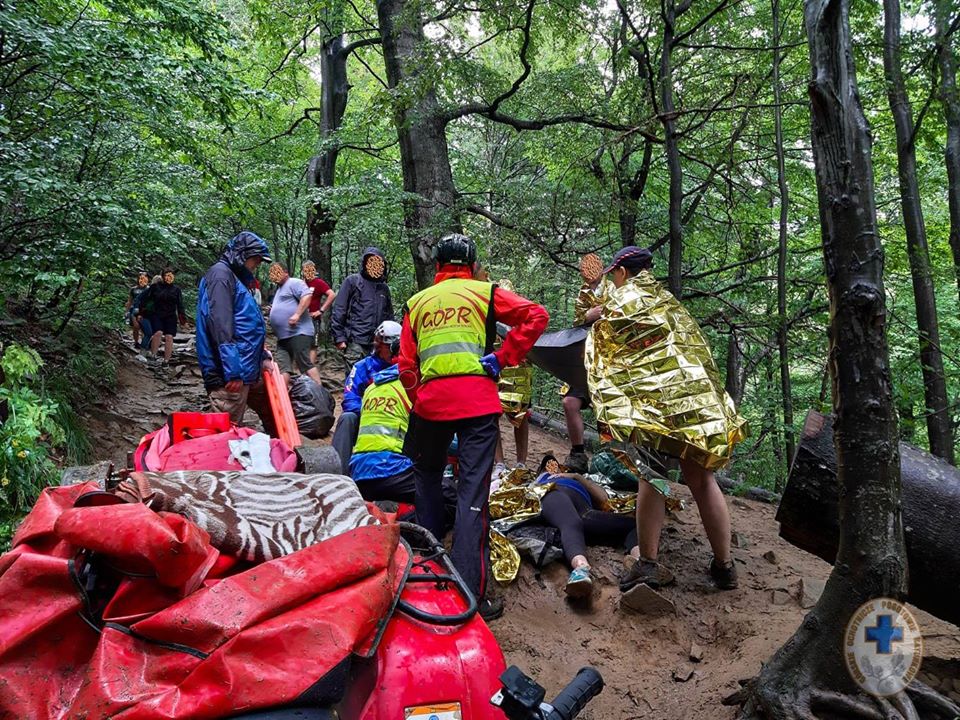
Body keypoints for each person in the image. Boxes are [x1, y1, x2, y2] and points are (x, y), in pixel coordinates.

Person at [399, 233, 549, 621]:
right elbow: (537, 315)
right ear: (472, 266)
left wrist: (421, 400)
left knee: (427, 476)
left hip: (430, 404)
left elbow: (406, 367)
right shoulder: (485, 293)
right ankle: (470, 594)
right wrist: (503, 357)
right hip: (478, 404)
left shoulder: (417, 303)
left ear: (437, 266)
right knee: (472, 495)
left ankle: (426, 570)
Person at [594, 246, 739, 593]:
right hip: (696, 403)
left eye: (613, 275)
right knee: (702, 480)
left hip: (659, 407)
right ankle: (725, 567)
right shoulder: (668, 302)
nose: (613, 281)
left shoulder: (629, 295)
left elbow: (596, 319)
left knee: (651, 477)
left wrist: (594, 310)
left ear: (623, 272)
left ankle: (647, 564)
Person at [196, 231, 274, 428]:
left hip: (246, 368)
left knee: (272, 411)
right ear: (242, 254)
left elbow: (244, 323)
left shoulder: (235, 278)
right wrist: (232, 371)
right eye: (255, 259)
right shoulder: (221, 276)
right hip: (230, 374)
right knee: (227, 433)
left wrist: (262, 357)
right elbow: (221, 325)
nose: (257, 264)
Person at [534, 454, 637, 598]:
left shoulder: (575, 478)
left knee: (633, 525)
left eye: (555, 465)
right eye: (547, 466)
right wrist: (545, 477)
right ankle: (580, 569)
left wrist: (577, 477)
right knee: (571, 522)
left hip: (584, 508)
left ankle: (638, 562)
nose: (552, 467)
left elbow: (603, 499)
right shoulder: (541, 480)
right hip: (553, 494)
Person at [331, 320, 402, 474]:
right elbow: (350, 398)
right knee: (347, 418)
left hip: (398, 419)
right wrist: (370, 412)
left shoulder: (407, 368)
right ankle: (337, 473)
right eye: (386, 346)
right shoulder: (362, 367)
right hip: (367, 417)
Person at [563, 253, 606, 473]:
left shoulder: (616, 287)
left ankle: (611, 459)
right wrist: (589, 315)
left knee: (607, 407)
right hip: (585, 358)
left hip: (610, 361)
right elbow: (577, 321)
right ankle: (578, 453)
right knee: (570, 402)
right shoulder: (583, 292)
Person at [491, 278, 532, 479]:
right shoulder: (488, 313)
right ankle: (499, 463)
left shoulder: (521, 314)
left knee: (520, 416)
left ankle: (521, 462)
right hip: (494, 367)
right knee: (492, 416)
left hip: (519, 369)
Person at [330, 247, 393, 369]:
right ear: (365, 263)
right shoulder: (352, 281)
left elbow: (389, 315)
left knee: (376, 380)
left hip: (378, 344)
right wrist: (339, 337)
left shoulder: (383, 288)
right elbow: (339, 309)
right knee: (354, 380)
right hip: (356, 341)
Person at [266, 262, 324, 388]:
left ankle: (320, 393)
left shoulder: (294, 282)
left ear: (285, 272)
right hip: (283, 338)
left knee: (304, 363)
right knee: (283, 368)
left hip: (299, 332)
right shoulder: (279, 289)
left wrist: (297, 314)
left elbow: (307, 296)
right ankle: (283, 399)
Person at [146, 267, 187, 365]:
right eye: (167, 275)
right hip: (157, 314)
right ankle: (153, 355)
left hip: (170, 316)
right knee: (158, 333)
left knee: (169, 337)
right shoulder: (155, 287)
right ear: (163, 277)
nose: (169, 277)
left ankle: (166, 361)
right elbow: (147, 301)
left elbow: (180, 304)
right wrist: (143, 313)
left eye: (171, 275)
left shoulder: (176, 290)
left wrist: (182, 320)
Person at [301, 260, 336, 362]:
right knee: (299, 344)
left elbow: (332, 294)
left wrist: (321, 310)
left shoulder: (319, 283)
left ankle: (309, 371)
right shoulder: (299, 283)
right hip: (301, 318)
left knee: (313, 345)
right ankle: (299, 370)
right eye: (305, 269)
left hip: (313, 318)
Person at [124, 272, 149, 348]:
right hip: (134, 310)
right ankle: (136, 342)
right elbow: (130, 301)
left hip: (144, 310)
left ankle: (144, 342)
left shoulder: (148, 289)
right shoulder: (133, 289)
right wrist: (126, 311)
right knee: (136, 326)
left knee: (144, 327)